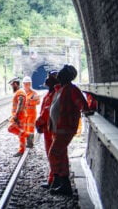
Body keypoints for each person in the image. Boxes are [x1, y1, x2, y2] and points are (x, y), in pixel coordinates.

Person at [48, 64, 88, 196]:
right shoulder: (62, 89)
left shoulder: (71, 89)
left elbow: (82, 103)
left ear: (67, 76)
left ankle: (62, 182)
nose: (58, 75)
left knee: (53, 153)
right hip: (58, 128)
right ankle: (61, 184)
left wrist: (86, 110)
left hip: (65, 129)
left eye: (61, 73)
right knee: (61, 155)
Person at [35, 71, 60, 189]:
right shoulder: (51, 93)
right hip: (49, 127)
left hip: (51, 127)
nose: (46, 80)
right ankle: (53, 179)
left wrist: (38, 122)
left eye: (49, 78)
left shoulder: (54, 94)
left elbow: (47, 111)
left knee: (52, 154)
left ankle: (54, 180)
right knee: (52, 154)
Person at [8, 77, 28, 156]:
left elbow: (20, 103)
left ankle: (26, 135)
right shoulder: (19, 92)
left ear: (16, 84)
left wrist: (16, 115)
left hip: (20, 116)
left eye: (12, 85)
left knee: (11, 128)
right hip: (19, 115)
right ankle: (21, 149)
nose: (12, 86)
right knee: (20, 133)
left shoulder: (20, 92)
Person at [22, 75, 40, 148]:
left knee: (30, 128)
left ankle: (30, 143)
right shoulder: (21, 93)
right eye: (25, 84)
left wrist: (30, 102)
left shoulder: (34, 93)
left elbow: (38, 102)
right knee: (25, 128)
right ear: (23, 84)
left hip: (31, 114)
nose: (26, 85)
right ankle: (27, 141)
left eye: (28, 83)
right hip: (24, 114)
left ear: (30, 84)